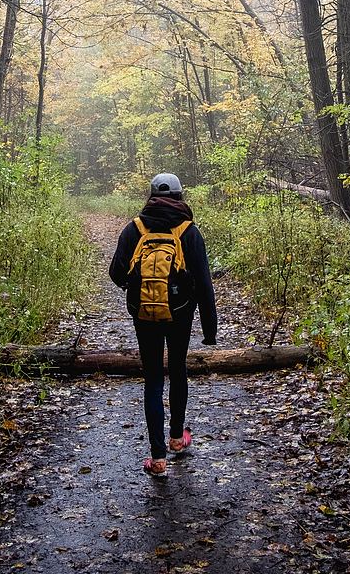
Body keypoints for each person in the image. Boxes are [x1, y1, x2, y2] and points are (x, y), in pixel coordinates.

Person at [110, 172, 217, 476]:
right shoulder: (189, 232)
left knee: (154, 378)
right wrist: (209, 331)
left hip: (144, 314)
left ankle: (158, 458)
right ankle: (177, 439)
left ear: (151, 195)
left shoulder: (134, 229)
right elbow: (205, 286)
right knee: (178, 369)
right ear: (181, 196)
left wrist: (136, 283)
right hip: (180, 313)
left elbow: (116, 274)